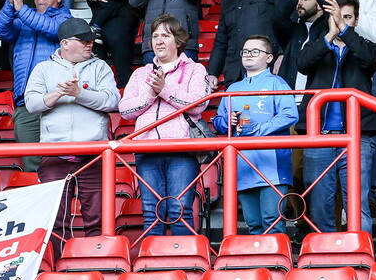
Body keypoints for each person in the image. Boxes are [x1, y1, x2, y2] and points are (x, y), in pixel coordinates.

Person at [25, 18, 119, 251]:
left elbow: (112, 101)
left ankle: (98, 269)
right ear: (65, 43)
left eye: (91, 40)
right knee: (56, 221)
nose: (90, 44)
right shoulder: (43, 68)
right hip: (55, 154)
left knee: (99, 220)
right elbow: (31, 104)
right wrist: (58, 92)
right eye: (84, 40)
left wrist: (79, 93)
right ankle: (57, 270)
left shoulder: (100, 67)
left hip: (94, 155)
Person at [119, 14, 211, 235]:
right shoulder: (140, 74)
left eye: (165, 36)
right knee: (151, 212)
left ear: (178, 41)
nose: (158, 41)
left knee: (180, 210)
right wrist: (151, 94)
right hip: (146, 148)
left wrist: (165, 90)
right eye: (155, 36)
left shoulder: (195, 70)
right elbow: (125, 110)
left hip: (181, 148)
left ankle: (187, 263)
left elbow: (198, 105)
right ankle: (152, 267)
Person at [297, 0, 376, 234]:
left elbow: (370, 59)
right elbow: (302, 64)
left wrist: (344, 31)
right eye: (336, 17)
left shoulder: (364, 46)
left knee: (358, 204)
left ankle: (360, 254)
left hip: (357, 137)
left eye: (347, 17)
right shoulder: (318, 44)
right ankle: (326, 257)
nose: (341, 21)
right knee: (320, 204)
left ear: (355, 20)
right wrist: (329, 36)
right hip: (319, 136)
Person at [213, 35, 299, 234]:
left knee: (272, 220)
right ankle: (259, 263)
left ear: (269, 58)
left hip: (272, 166)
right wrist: (229, 122)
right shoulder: (233, 89)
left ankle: (276, 264)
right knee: (253, 223)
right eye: (245, 52)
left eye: (255, 51)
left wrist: (260, 130)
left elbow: (290, 114)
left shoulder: (277, 83)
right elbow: (218, 121)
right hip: (243, 165)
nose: (248, 55)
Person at [0, 0, 71, 171]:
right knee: (31, 165)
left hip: (57, 102)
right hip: (26, 102)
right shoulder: (23, 20)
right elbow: (0, 30)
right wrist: (10, 5)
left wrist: (21, 9)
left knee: (58, 162)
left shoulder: (66, 19)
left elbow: (51, 29)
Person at [207, 0, 291, 86]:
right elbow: (221, 39)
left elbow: (290, 22)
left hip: (269, 70)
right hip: (235, 72)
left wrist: (283, 54)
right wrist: (212, 73)